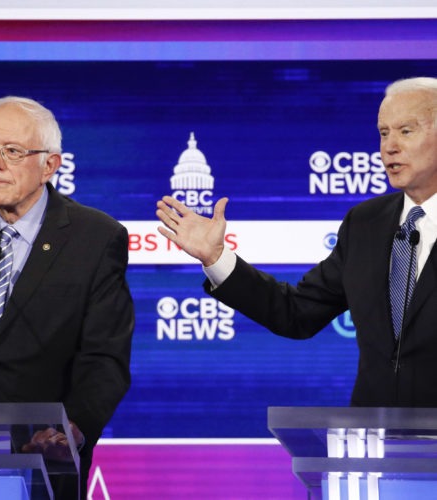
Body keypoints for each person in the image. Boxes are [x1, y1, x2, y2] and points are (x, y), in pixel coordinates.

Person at [157, 76, 437, 408]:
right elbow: (296, 313)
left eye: (406, 131)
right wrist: (217, 258)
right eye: (383, 133)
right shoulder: (365, 224)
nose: (390, 146)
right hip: (377, 444)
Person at [0, 96, 134, 498]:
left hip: (35, 459)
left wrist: (74, 428)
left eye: (12, 151)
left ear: (50, 165)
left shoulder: (94, 239)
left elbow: (104, 357)